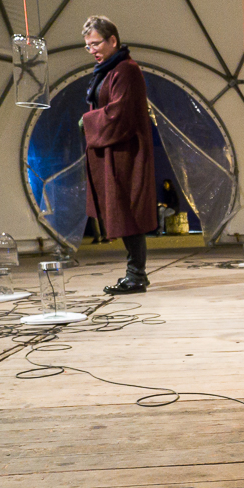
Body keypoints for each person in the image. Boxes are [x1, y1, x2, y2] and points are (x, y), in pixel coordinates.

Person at [80, 16, 156, 294]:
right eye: (88, 46)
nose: (92, 50)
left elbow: (120, 112)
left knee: (127, 209)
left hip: (126, 153)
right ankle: (135, 274)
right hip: (112, 150)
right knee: (120, 210)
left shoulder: (126, 70)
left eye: (96, 44)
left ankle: (136, 275)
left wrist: (88, 120)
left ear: (113, 40)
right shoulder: (106, 70)